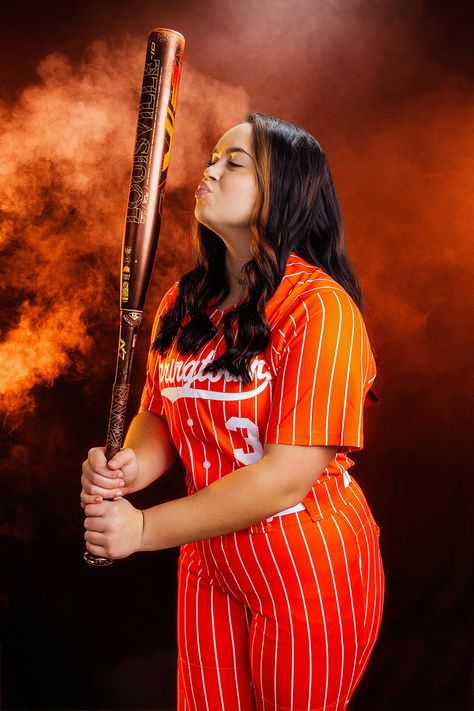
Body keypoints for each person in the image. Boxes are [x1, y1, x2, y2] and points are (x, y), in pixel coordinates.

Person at [81, 111, 385, 711]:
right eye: (212, 157)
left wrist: (141, 528)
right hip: (209, 561)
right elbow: (162, 415)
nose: (208, 170)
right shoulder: (184, 297)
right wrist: (132, 470)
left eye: (234, 162)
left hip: (307, 570)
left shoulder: (320, 308)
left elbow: (284, 480)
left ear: (286, 190)